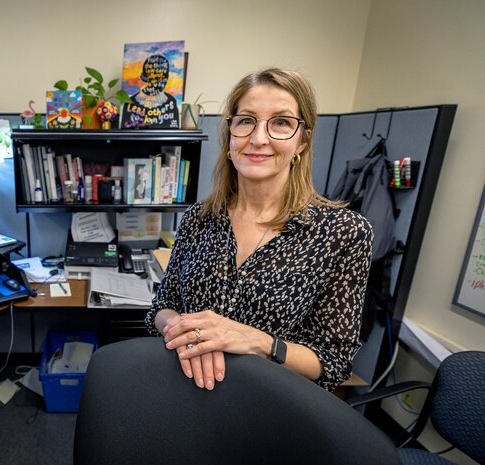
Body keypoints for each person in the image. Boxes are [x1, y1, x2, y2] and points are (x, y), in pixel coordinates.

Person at [145, 67, 373, 392]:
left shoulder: (343, 233)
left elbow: (332, 362)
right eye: (246, 120)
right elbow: (161, 306)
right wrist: (177, 326)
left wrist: (258, 341)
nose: (258, 138)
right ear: (230, 135)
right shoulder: (200, 217)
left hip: (268, 411)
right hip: (185, 398)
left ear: (302, 142)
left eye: (281, 122)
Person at [121, 54, 180, 129]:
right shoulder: (131, 103)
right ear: (146, 76)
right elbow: (126, 132)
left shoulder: (171, 102)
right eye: (156, 76)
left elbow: (174, 131)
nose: (161, 80)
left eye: (164, 76)